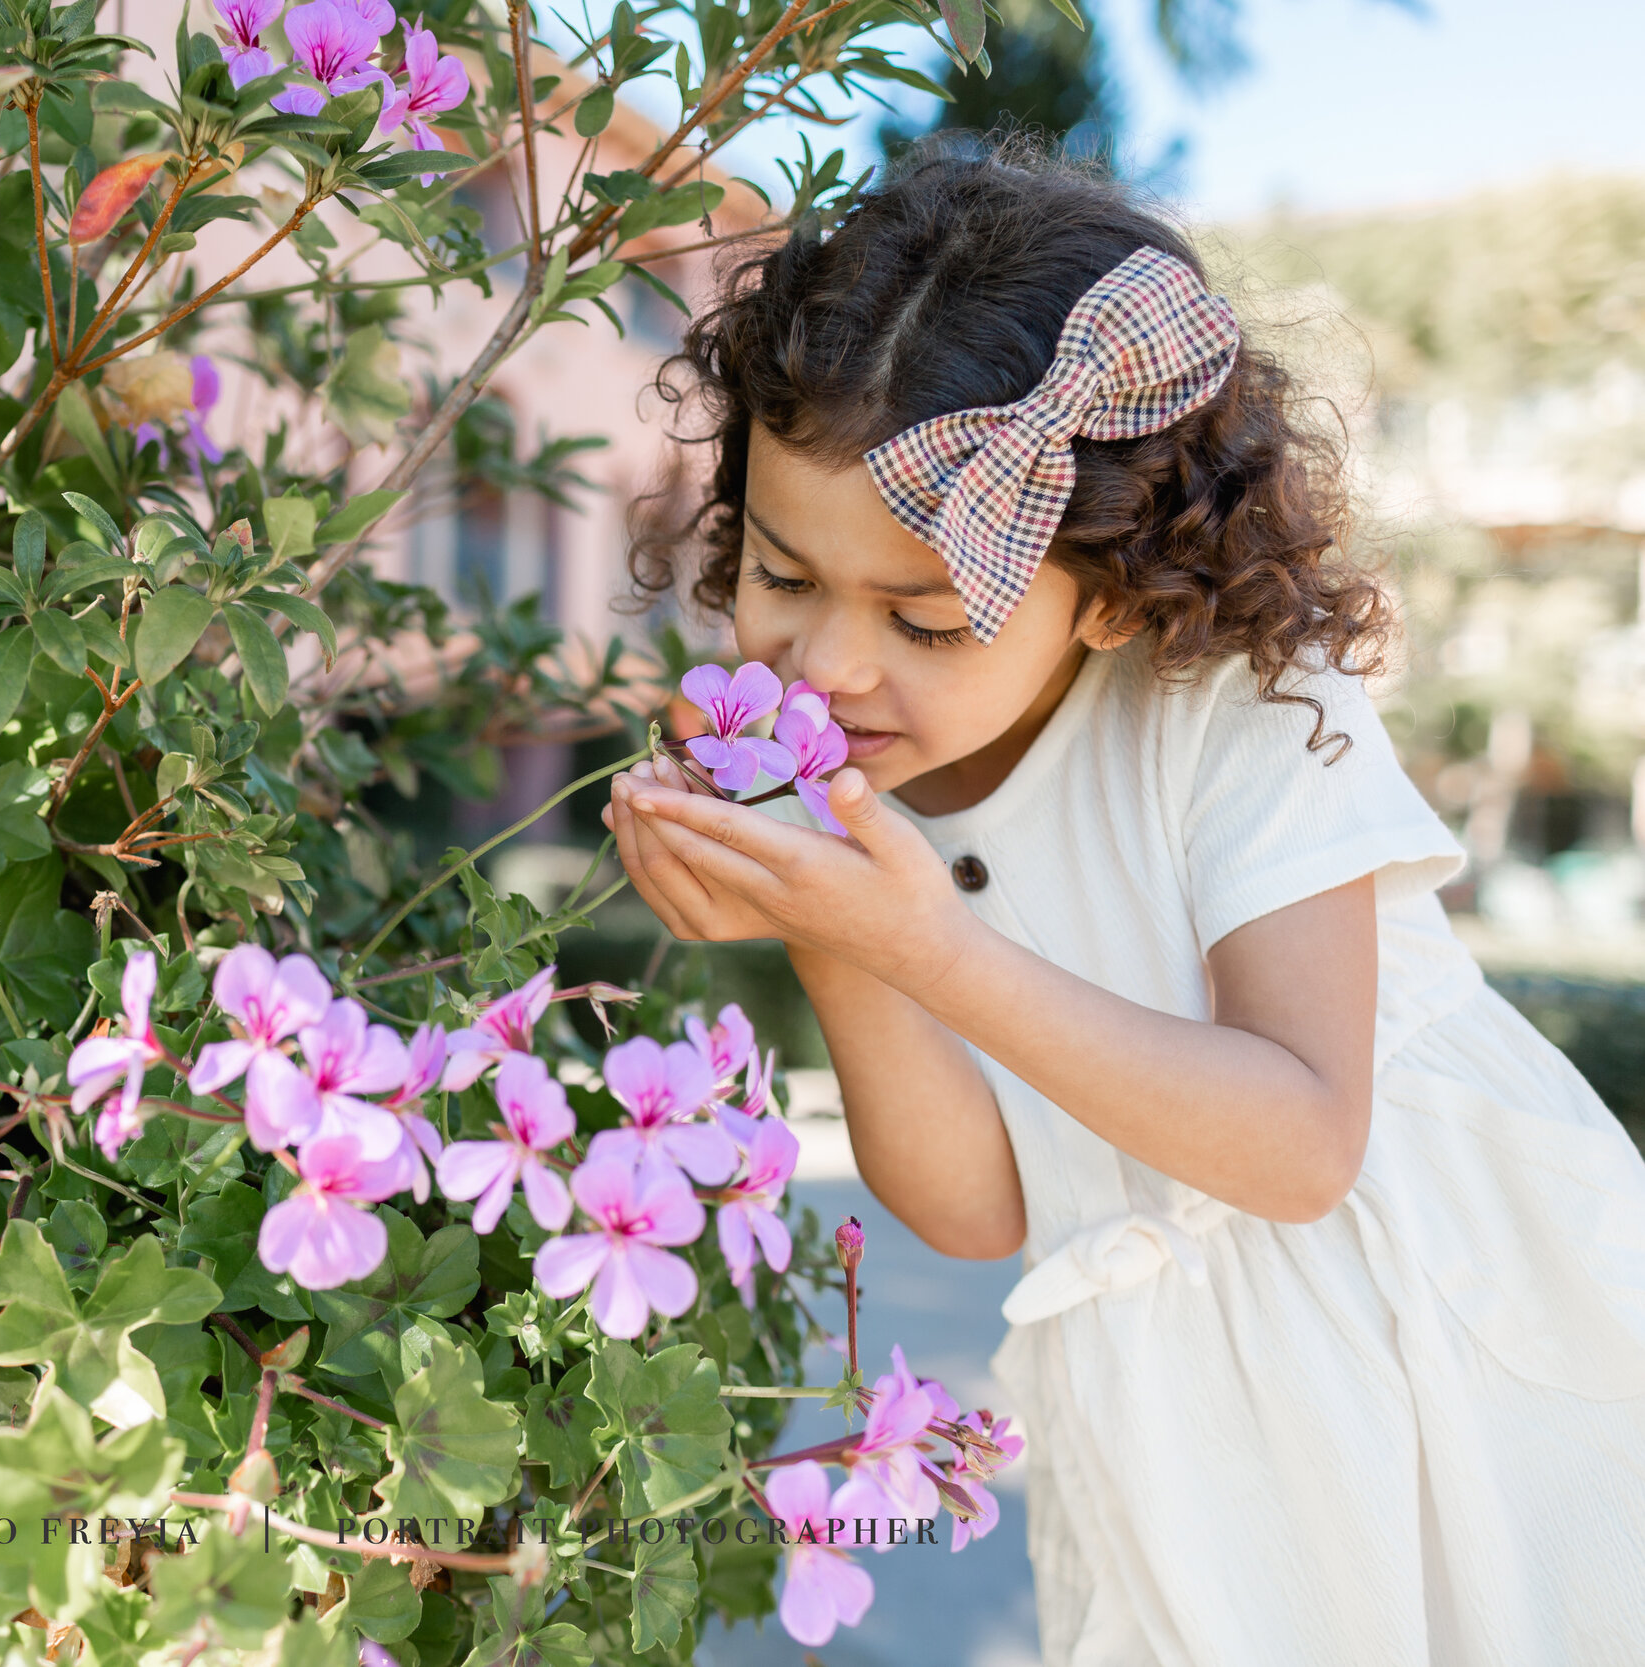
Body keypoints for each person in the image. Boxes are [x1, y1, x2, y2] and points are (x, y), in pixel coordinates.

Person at [606, 139, 1645, 1665]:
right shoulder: (870, 762)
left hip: (1444, 1336)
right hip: (1174, 1413)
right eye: (779, 572)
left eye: (926, 616)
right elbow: (974, 1209)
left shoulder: (1243, 711)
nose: (825, 665)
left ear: (1103, 585)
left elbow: (1299, 1145)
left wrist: (922, 943)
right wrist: (839, 933)